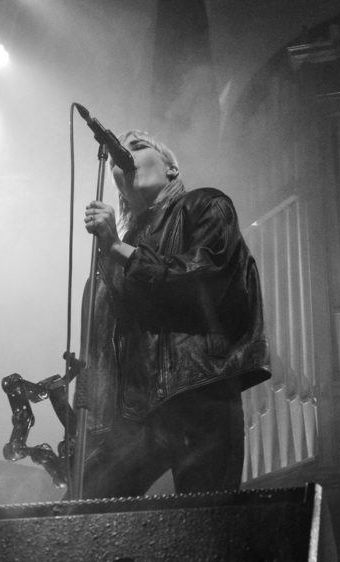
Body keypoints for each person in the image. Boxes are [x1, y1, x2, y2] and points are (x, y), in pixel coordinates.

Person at [78, 130, 269, 499]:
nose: (126, 155)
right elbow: (109, 340)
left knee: (204, 523)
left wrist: (118, 248)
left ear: (171, 168)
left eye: (138, 146)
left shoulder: (205, 206)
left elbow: (204, 276)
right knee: (86, 500)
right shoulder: (119, 248)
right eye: (122, 153)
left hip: (200, 391)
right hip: (139, 412)